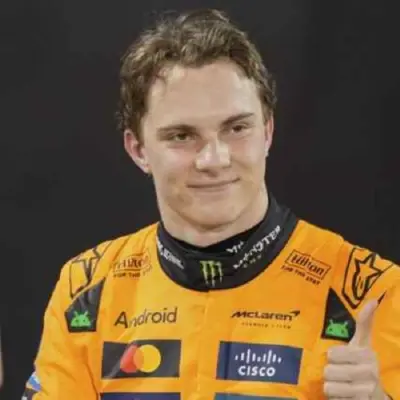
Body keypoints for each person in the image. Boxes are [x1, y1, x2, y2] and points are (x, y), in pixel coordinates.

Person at [22, 8, 400, 400]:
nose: (214, 159)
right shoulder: (86, 288)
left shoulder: (371, 293)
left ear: (267, 132)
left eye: (236, 128)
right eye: (182, 136)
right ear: (138, 150)